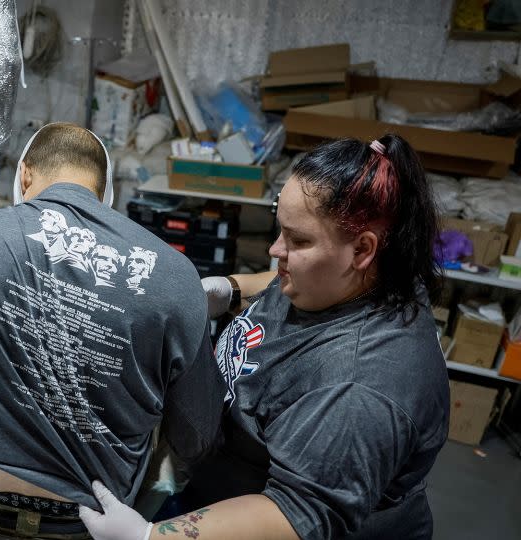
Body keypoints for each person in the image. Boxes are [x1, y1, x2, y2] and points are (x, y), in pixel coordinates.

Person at [79, 135, 450, 540]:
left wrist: (150, 538)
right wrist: (232, 289)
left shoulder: (359, 389)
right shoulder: (360, 277)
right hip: (217, 478)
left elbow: (294, 516)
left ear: (363, 249)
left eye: (299, 240)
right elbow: (280, 280)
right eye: (280, 231)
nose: (276, 250)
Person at [0, 123, 226, 538]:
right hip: (90, 520)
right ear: (106, 193)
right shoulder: (175, 276)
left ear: (25, 176)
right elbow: (198, 432)